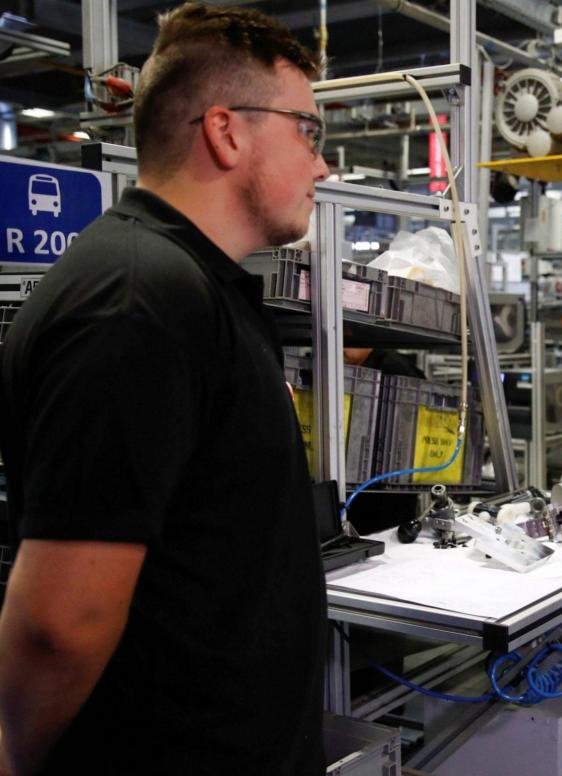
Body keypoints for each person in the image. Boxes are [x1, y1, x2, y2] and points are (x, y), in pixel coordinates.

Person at [0, 4, 331, 774]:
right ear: (226, 131)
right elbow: (61, 623)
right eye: (308, 131)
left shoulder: (191, 288)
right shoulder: (137, 302)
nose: (323, 165)